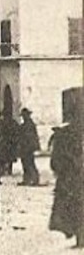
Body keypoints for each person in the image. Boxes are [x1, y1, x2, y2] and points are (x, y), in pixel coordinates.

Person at [48, 92, 82, 245]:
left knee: (73, 205)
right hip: (73, 176)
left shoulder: (63, 133)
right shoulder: (66, 132)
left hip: (70, 177)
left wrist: (59, 171)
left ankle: (78, 234)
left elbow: (56, 160)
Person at [18, 107, 41, 186]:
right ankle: (27, 179)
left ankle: (35, 179)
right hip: (24, 147)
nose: (23, 117)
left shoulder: (29, 125)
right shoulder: (25, 124)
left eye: (25, 115)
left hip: (28, 147)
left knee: (29, 163)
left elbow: (31, 137)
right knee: (25, 163)